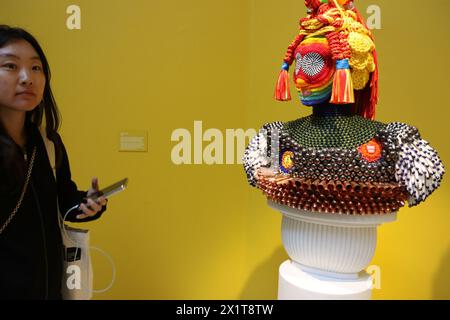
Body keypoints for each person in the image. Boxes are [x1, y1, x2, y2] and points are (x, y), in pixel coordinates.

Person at [0, 25, 108, 299]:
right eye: (10, 66)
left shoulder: (48, 143)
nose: (27, 78)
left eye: (36, 68)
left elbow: (64, 204)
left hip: (50, 289)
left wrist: (88, 203)